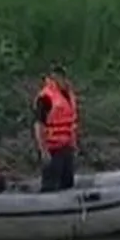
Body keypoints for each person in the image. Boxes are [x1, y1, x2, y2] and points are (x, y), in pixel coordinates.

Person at [32, 63, 79, 192]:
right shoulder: (46, 97)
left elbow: (72, 123)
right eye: (56, 75)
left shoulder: (68, 94)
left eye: (61, 75)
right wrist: (43, 150)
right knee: (51, 185)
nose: (60, 79)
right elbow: (38, 125)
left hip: (66, 147)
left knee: (67, 183)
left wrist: (73, 143)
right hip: (52, 148)